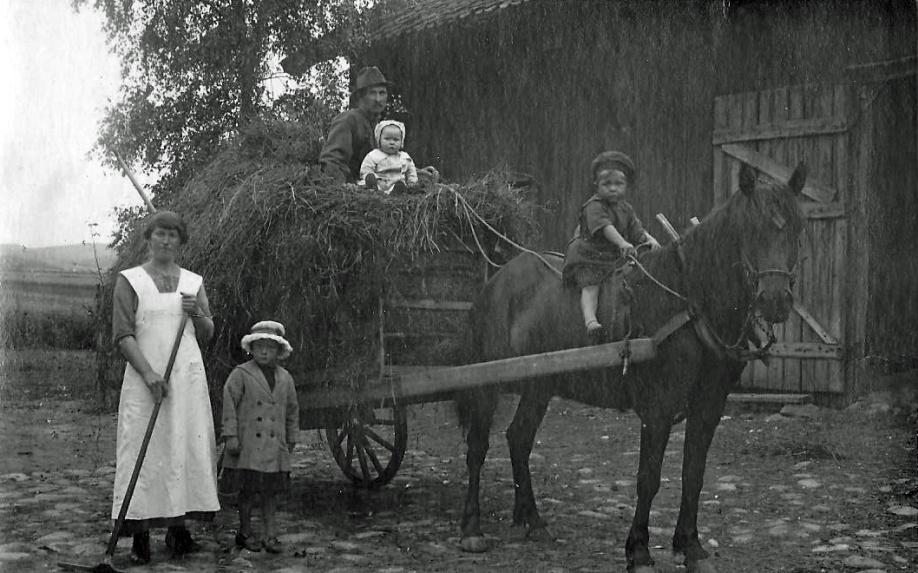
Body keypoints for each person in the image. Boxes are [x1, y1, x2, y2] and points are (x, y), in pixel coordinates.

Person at [110, 210, 219, 564]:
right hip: (146, 379)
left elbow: (208, 332)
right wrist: (149, 374)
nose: (166, 241)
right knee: (143, 448)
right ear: (149, 237)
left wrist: (197, 312)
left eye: (173, 235)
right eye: (160, 234)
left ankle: (178, 528)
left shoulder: (192, 281)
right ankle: (139, 534)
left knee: (182, 446)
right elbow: (123, 336)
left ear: (181, 241)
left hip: (185, 377)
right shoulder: (130, 281)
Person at [562, 151, 661, 344]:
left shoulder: (626, 209)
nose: (613, 189)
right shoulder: (594, 206)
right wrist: (623, 243)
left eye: (618, 184)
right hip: (589, 255)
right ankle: (590, 320)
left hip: (612, 257)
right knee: (591, 285)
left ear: (626, 186)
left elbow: (637, 230)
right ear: (596, 186)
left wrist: (650, 240)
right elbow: (606, 227)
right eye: (607, 184)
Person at [221, 320, 299, 554]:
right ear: (251, 349)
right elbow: (229, 405)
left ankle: (270, 534)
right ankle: (244, 533)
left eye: (270, 347)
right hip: (248, 447)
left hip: (273, 448)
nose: (265, 351)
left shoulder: (285, 378)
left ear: (279, 351)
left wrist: (291, 437)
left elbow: (293, 410)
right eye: (260, 347)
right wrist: (231, 436)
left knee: (270, 494)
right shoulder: (241, 374)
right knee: (247, 492)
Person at [319, 65, 439, 185]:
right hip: (355, 190)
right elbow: (331, 161)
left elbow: (385, 161)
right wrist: (343, 189)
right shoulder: (348, 120)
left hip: (378, 189)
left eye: (382, 93)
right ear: (361, 96)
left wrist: (419, 172)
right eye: (372, 93)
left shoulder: (379, 126)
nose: (378, 99)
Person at [359, 119, 419, 194]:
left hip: (396, 182)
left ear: (401, 142)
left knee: (400, 186)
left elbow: (411, 171)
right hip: (379, 182)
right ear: (379, 140)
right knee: (369, 184)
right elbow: (366, 170)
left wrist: (412, 182)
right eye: (387, 139)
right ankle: (373, 188)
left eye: (396, 139)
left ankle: (397, 192)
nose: (391, 142)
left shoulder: (404, 157)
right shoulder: (374, 155)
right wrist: (374, 178)